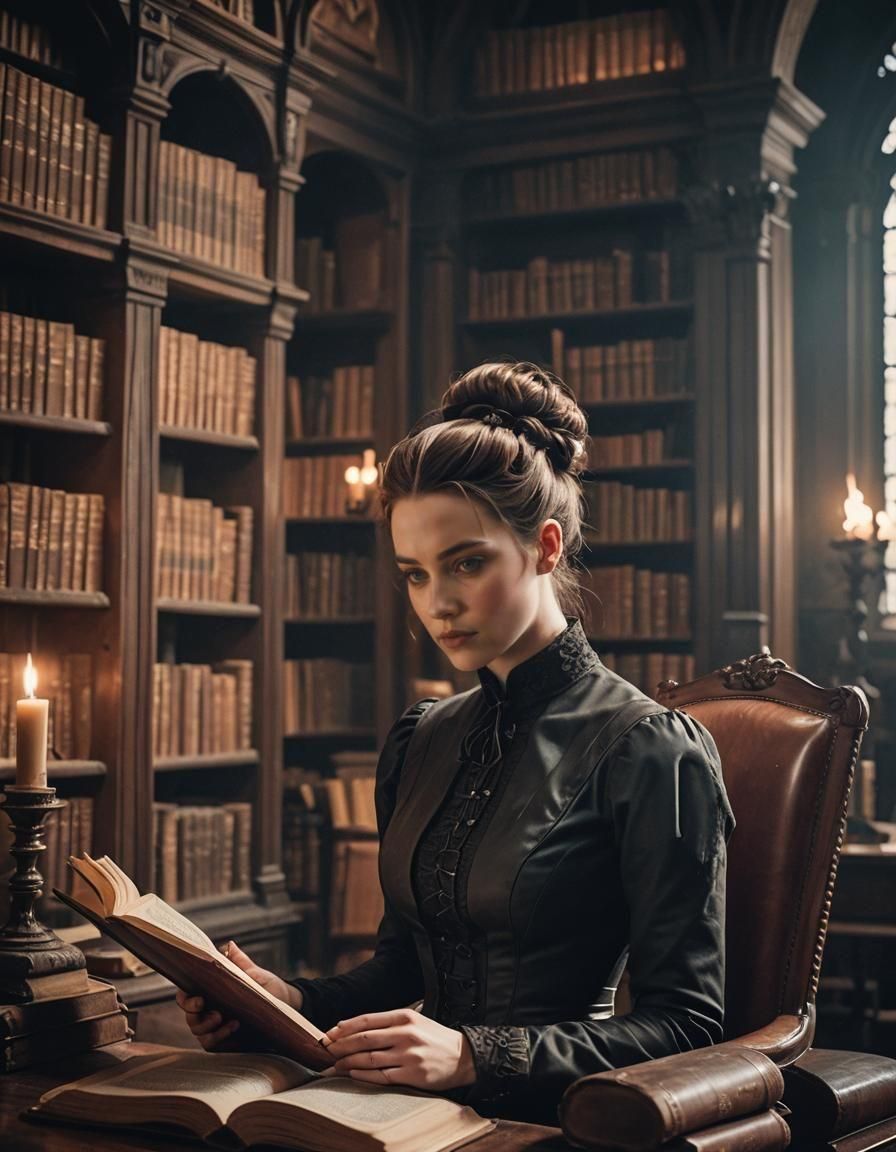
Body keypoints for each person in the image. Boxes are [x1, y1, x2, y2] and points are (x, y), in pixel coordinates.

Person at [176, 360, 735, 1126]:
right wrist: (288, 1001)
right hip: (402, 1111)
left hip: (561, 1121)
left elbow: (688, 1025)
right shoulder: (421, 738)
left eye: (466, 563)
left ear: (543, 547)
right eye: (413, 574)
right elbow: (401, 967)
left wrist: (477, 1055)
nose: (436, 604)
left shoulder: (650, 750)